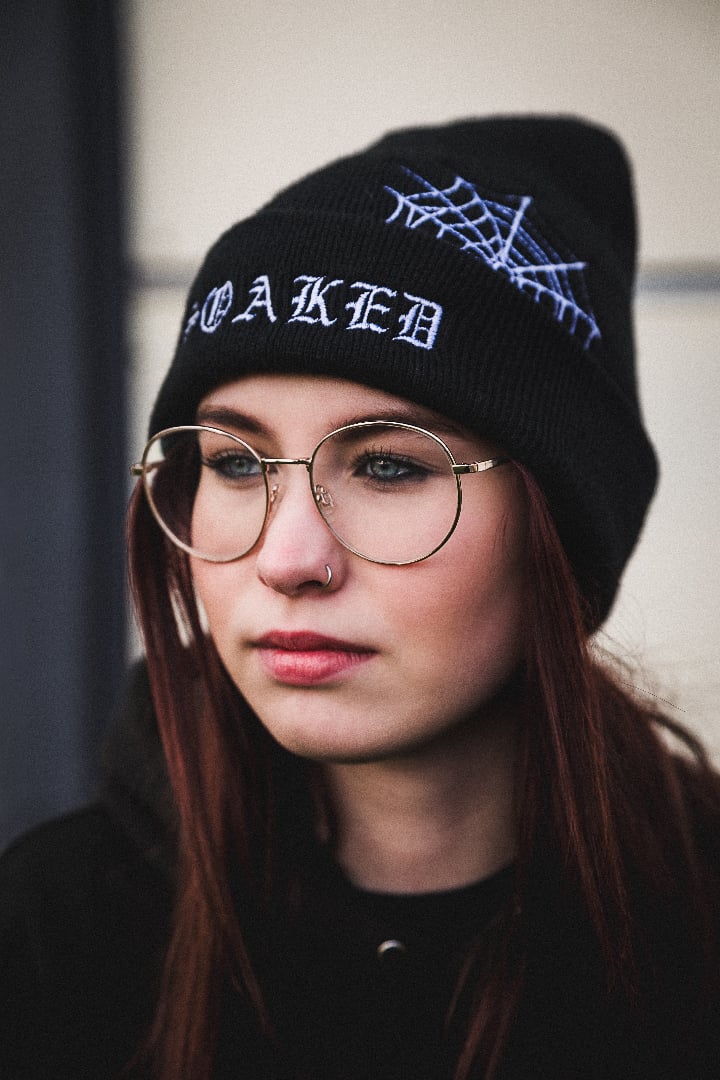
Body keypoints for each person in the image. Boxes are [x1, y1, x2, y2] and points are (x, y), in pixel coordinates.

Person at [1, 116, 719, 1080]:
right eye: (234, 462)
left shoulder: (695, 933)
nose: (289, 560)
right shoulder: (55, 933)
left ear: (562, 526)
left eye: (385, 465)